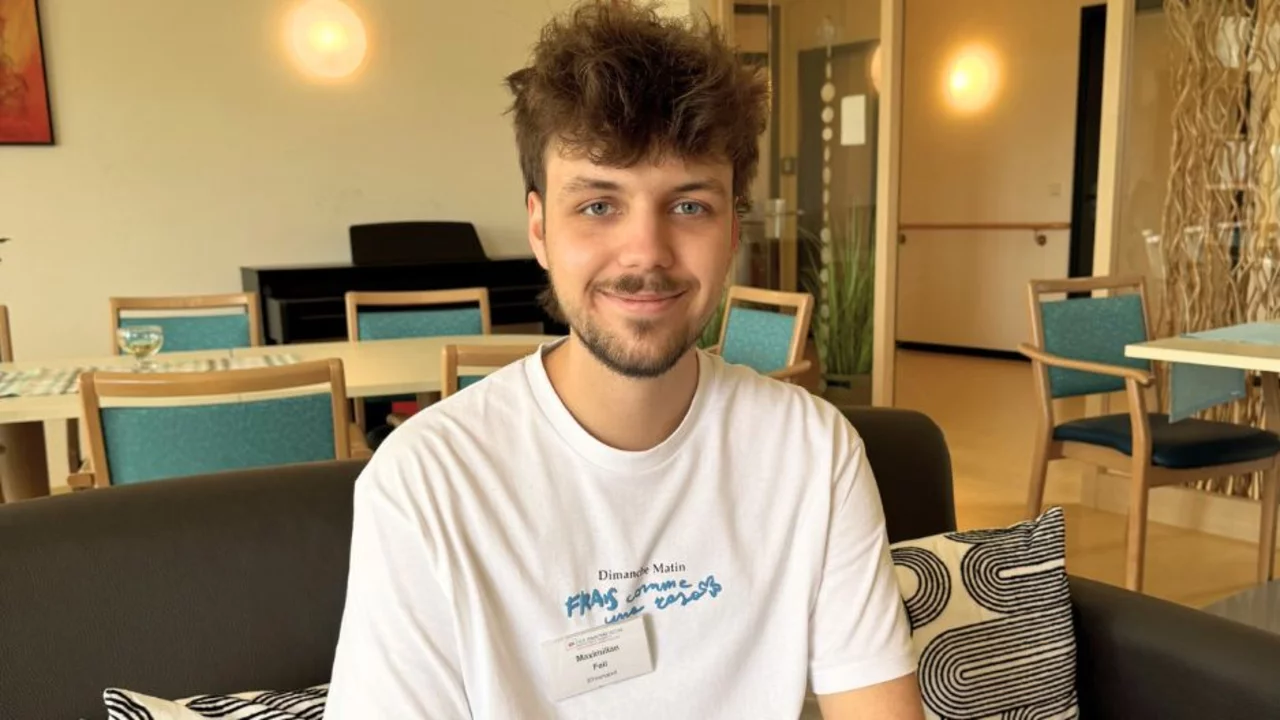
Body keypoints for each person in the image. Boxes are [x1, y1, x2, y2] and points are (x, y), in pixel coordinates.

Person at [324, 2, 924, 718]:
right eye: (599, 206)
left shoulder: (814, 453)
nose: (646, 254)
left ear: (734, 231)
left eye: (690, 206)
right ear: (540, 228)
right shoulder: (425, 483)